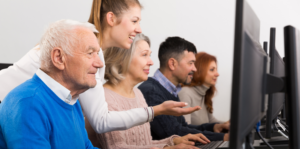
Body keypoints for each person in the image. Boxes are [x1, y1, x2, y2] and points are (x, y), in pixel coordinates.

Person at [0, 0, 200, 135]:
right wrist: (156, 110)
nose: (139, 29)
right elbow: (102, 121)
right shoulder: (80, 46)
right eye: (134, 21)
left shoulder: (91, 50)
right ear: (111, 19)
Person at [0, 20, 181, 149]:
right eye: (90, 53)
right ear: (59, 58)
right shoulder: (28, 103)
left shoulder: (71, 100)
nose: (100, 63)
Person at [85, 34, 210, 149]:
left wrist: (174, 141)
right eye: (144, 55)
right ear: (121, 59)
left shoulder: (138, 94)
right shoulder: (105, 97)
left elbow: (144, 145)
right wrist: (168, 148)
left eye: (149, 55)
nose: (151, 62)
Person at [138, 37, 230, 141]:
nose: (194, 69)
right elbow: (174, 133)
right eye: (190, 63)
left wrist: (214, 127)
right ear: (172, 64)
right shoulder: (151, 92)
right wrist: (222, 137)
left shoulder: (171, 91)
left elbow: (184, 127)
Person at [179, 52, 226, 125]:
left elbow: (211, 121)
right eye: (212, 70)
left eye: (216, 70)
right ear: (199, 71)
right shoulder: (185, 93)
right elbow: (185, 128)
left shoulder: (204, 93)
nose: (217, 74)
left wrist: (229, 125)